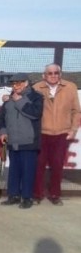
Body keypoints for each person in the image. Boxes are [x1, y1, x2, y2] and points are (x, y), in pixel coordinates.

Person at [32, 64, 80, 205]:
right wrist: (6, 97)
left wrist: (73, 129)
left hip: (61, 133)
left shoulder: (70, 87)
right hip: (42, 133)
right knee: (39, 165)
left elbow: (76, 111)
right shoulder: (36, 88)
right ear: (44, 75)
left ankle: (55, 195)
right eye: (50, 73)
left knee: (57, 165)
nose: (53, 75)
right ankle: (37, 194)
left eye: (56, 73)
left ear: (60, 74)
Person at [0, 73, 43, 209]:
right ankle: (13, 195)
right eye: (13, 84)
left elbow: (35, 114)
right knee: (14, 170)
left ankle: (27, 197)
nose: (15, 86)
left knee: (28, 171)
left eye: (18, 83)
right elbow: (1, 118)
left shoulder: (36, 97)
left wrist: (18, 100)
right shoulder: (8, 100)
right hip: (12, 141)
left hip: (28, 141)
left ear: (26, 83)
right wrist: (3, 132)